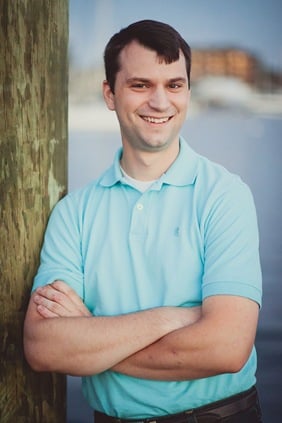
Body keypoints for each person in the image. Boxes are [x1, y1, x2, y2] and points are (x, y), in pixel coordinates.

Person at [24, 19, 263, 422]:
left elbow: (227, 347)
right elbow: (44, 347)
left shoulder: (225, 195)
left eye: (174, 85)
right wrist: (172, 317)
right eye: (140, 85)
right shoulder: (74, 213)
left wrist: (94, 340)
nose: (160, 102)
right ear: (110, 94)